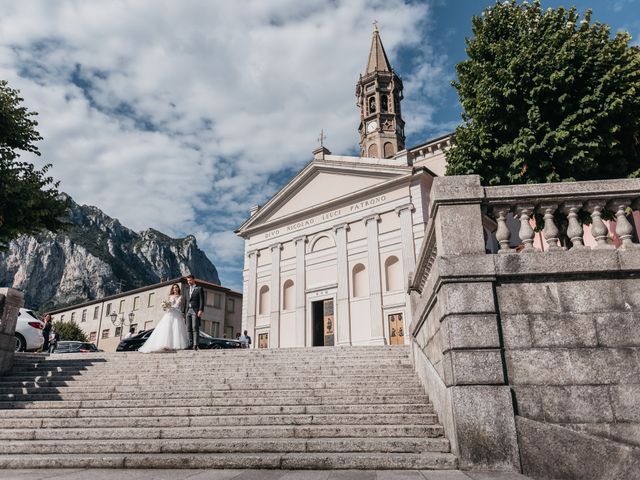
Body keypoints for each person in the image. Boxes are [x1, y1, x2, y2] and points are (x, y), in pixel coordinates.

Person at [139, 284, 189, 353]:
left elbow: (183, 306)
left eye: (176, 287)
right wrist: (166, 307)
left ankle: (174, 345)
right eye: (174, 288)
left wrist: (183, 313)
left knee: (176, 329)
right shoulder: (170, 296)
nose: (175, 289)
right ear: (172, 289)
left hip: (177, 313)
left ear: (178, 288)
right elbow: (168, 304)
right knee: (168, 329)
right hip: (170, 313)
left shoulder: (181, 297)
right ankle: (166, 344)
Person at [184, 275, 204, 351]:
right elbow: (185, 302)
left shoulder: (199, 288)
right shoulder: (186, 290)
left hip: (195, 310)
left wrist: (200, 310)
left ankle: (196, 345)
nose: (189, 282)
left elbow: (202, 300)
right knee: (188, 328)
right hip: (188, 311)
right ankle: (190, 344)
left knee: (195, 327)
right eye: (188, 281)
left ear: (193, 280)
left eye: (190, 280)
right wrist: (184, 312)